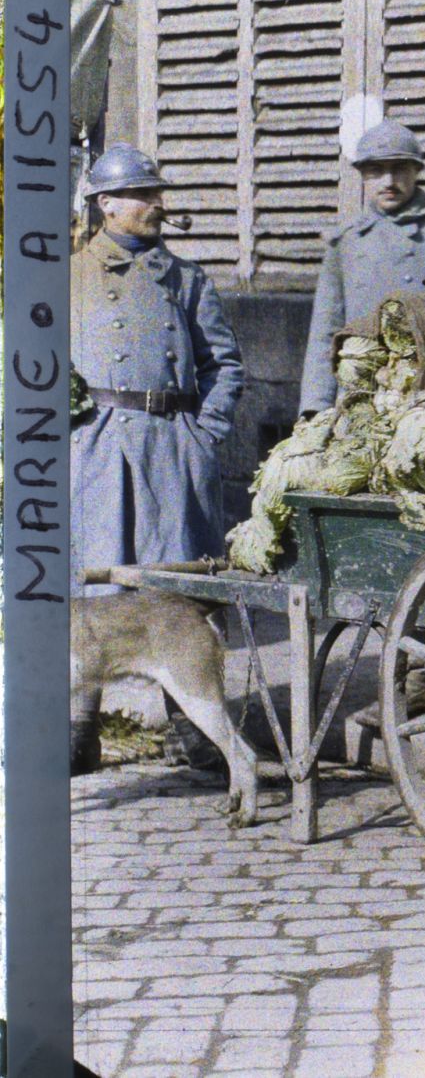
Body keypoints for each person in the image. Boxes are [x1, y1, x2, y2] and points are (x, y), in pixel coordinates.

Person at [72, 143, 246, 768]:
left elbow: (224, 364)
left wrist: (205, 434)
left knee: (179, 584)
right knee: (97, 580)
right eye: (142, 194)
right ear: (106, 204)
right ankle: (79, 728)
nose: (155, 204)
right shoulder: (69, 277)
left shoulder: (187, 278)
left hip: (175, 444)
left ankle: (195, 728)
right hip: (99, 444)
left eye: (155, 193)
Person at [300, 119, 425, 416]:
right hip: (358, 400)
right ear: (363, 177)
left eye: (400, 169)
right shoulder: (347, 242)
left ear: (416, 171)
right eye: (376, 171)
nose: (388, 181)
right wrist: (315, 407)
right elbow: (325, 334)